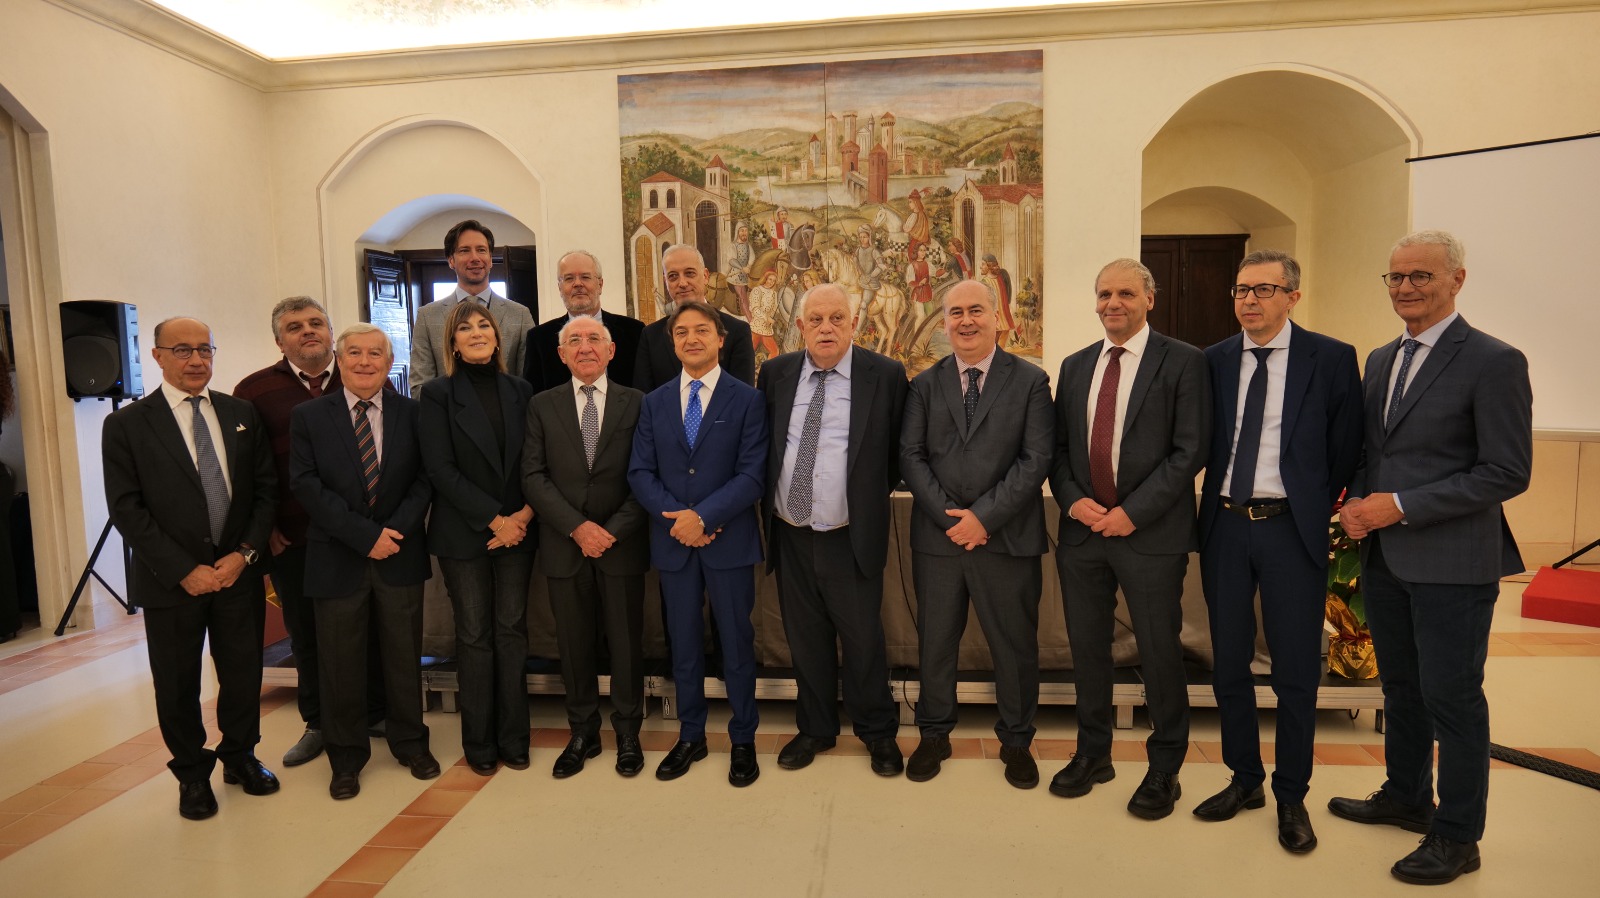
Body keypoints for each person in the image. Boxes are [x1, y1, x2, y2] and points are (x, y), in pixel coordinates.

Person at [1329, 229, 1532, 886]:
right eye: (1396, 277)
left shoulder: (1495, 361)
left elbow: (1506, 471)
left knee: (1453, 697)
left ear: (1456, 280)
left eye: (1421, 275)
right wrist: (1358, 501)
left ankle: (1458, 835)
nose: (1406, 287)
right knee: (1401, 689)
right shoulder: (1382, 359)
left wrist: (1399, 506)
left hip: (1453, 561)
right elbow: (1375, 452)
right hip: (1387, 559)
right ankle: (1407, 796)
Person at [1193, 251, 1362, 853]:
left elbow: (1346, 447)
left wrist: (1310, 504)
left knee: (1294, 671)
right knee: (1229, 665)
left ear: (1293, 295)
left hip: (1291, 528)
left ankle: (1292, 794)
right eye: (1241, 290)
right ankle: (1245, 779)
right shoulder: (1213, 359)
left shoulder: (1331, 358)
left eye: (1263, 289)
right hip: (1225, 525)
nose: (1249, 300)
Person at [1049, 259, 1209, 820]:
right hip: (1083, 534)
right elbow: (1059, 450)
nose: (1112, 303)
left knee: (1160, 653)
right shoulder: (1075, 366)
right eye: (1103, 294)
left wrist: (1131, 513)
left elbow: (1190, 450)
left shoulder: (1183, 361)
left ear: (1149, 299)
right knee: (1087, 650)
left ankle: (1165, 768)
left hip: (1150, 536)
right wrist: (1074, 501)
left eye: (1124, 293)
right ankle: (1093, 754)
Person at [102, 317, 277, 820]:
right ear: (157, 355)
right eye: (182, 350)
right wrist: (183, 569)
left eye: (205, 349)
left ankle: (240, 756)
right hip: (170, 582)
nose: (196, 360)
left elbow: (265, 491)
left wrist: (244, 555)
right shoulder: (127, 425)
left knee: (243, 673)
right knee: (177, 682)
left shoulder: (241, 412)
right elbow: (126, 509)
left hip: (236, 573)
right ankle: (192, 775)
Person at [899, 280, 1054, 789]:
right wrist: (954, 521)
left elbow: (1036, 459)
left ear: (997, 317)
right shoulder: (924, 384)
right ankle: (933, 735)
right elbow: (911, 457)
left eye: (976, 310)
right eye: (956, 313)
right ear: (944, 323)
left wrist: (983, 518)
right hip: (939, 540)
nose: (966, 320)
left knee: (1014, 646)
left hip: (1006, 539)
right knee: (936, 644)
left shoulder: (1031, 381)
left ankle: (1017, 741)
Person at [759, 283, 909, 777]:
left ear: (854, 323)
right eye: (816, 320)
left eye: (837, 318)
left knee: (863, 640)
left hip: (850, 533)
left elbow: (896, 455)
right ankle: (816, 728)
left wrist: (860, 499)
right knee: (805, 640)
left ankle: (877, 731)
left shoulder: (885, 375)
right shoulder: (776, 373)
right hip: (791, 531)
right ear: (800, 327)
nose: (826, 328)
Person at [234, 297, 385, 768]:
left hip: (364, 534)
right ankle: (318, 722)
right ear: (280, 341)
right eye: (295, 327)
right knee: (307, 633)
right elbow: (248, 468)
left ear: (331, 333)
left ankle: (373, 712)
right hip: (295, 537)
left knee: (370, 629)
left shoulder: (360, 374)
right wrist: (267, 528)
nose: (308, 332)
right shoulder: (254, 391)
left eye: (316, 323)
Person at [291, 324, 438, 799]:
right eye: (354, 352)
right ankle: (346, 759)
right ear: (339, 359)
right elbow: (306, 484)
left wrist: (390, 534)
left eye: (375, 353)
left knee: (402, 658)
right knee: (340, 665)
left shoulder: (414, 413)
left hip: (399, 552)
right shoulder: (309, 416)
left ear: (389, 362)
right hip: (337, 558)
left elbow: (426, 479)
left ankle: (411, 744)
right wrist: (365, 536)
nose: (364, 361)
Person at [627, 300, 767, 787]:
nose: (691, 338)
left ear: (720, 339)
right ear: (673, 343)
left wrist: (704, 517)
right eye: (681, 332)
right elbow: (640, 472)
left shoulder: (747, 400)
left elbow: (752, 474)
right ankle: (691, 735)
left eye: (701, 330)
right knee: (683, 645)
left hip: (729, 542)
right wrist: (680, 521)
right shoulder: (654, 402)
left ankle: (743, 738)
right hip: (674, 544)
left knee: (736, 643)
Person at [522, 316, 650, 778]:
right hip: (565, 544)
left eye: (594, 338)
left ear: (611, 350)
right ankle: (583, 733)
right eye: (574, 340)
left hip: (621, 544)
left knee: (625, 644)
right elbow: (533, 476)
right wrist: (578, 528)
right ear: (561, 355)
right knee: (573, 645)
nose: (585, 347)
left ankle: (628, 732)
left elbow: (646, 475)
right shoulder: (541, 405)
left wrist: (610, 531)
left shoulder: (639, 403)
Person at [419, 303, 537, 776]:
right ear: (452, 342)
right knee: (474, 635)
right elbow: (439, 469)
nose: (476, 332)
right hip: (464, 531)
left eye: (483, 325)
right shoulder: (437, 394)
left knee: (511, 632)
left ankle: (514, 738)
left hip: (518, 530)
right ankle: (480, 742)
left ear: (497, 335)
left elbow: (534, 461)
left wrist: (522, 516)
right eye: (464, 328)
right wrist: (494, 520)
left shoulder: (521, 389)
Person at [409, 219, 535, 391]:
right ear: (451, 260)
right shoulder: (428, 316)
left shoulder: (520, 315)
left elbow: (528, 385)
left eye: (481, 250)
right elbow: (419, 387)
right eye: (465, 251)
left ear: (490, 259)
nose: (475, 258)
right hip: (445, 408)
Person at [634, 245, 755, 392]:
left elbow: (743, 395)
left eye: (689, 273)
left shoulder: (737, 330)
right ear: (666, 281)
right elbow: (644, 397)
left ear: (705, 276)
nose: (682, 283)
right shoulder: (651, 336)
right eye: (673, 276)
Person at [523, 250, 644, 392]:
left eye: (585, 277)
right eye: (569, 278)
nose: (577, 284)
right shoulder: (539, 338)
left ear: (600, 285)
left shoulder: (634, 331)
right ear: (560, 288)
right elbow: (533, 395)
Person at [981, 254, 1016, 348]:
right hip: (998, 317)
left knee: (999, 340)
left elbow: (1008, 291)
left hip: (1000, 316)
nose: (981, 267)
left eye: (983, 264)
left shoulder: (999, 278)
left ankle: (998, 355)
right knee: (995, 342)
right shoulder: (986, 281)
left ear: (989, 266)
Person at [748, 269, 782, 361]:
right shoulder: (757, 290)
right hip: (756, 326)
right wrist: (766, 318)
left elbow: (775, 309)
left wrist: (772, 317)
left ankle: (766, 368)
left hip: (767, 328)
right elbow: (755, 309)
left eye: (774, 281)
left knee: (775, 351)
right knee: (749, 352)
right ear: (765, 278)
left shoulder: (774, 293)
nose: (771, 282)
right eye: (770, 279)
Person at [727, 224, 755, 320]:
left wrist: (749, 266)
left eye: (746, 231)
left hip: (747, 275)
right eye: (742, 230)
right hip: (736, 276)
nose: (744, 233)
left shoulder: (748, 246)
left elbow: (752, 258)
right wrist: (742, 268)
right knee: (743, 298)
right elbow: (731, 260)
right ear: (737, 232)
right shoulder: (733, 246)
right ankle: (751, 321)